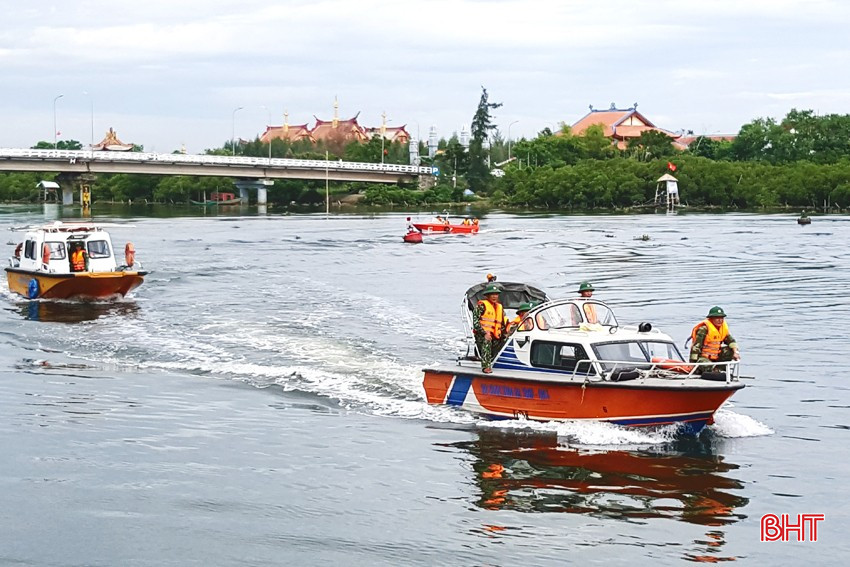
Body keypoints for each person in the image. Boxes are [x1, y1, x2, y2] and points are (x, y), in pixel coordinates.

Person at [689, 306, 740, 371]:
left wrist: (736, 352)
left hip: (716, 357)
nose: (720, 320)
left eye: (721, 318)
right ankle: (714, 370)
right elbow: (696, 346)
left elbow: (731, 341)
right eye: (717, 318)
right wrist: (692, 363)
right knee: (707, 365)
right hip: (703, 358)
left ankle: (721, 369)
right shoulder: (704, 329)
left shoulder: (723, 330)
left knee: (729, 350)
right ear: (711, 319)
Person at [472, 284, 508, 374]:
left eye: (496, 294)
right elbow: (475, 322)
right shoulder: (482, 305)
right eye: (492, 294)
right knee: (487, 340)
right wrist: (484, 333)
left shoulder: (500, 307)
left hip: (495, 335)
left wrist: (507, 332)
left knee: (506, 339)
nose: (494, 296)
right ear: (487, 295)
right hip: (482, 335)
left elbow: (503, 323)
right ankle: (486, 366)